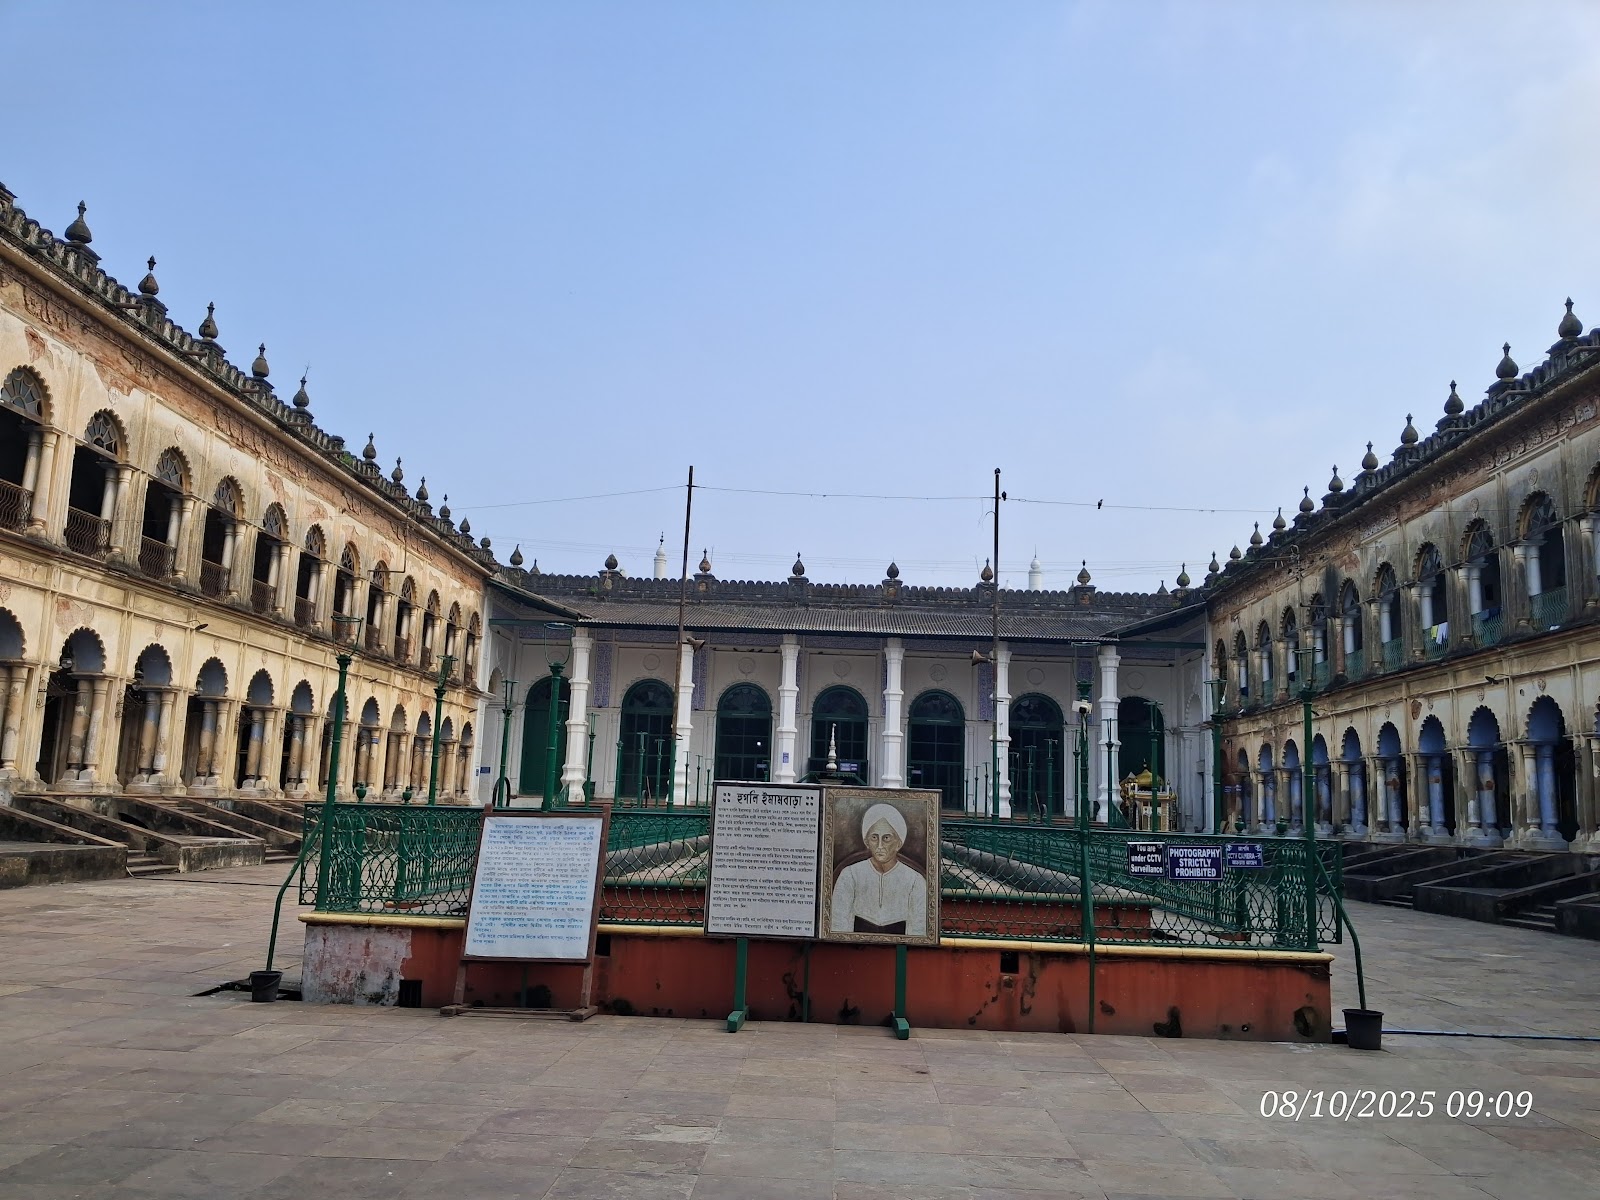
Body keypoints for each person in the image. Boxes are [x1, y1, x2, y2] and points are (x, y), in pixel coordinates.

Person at [829, 802, 927, 935]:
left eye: (886, 838)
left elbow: (919, 928)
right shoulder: (850, 874)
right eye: (874, 838)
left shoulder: (915, 880)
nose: (880, 845)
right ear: (867, 842)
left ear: (898, 843)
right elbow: (838, 923)